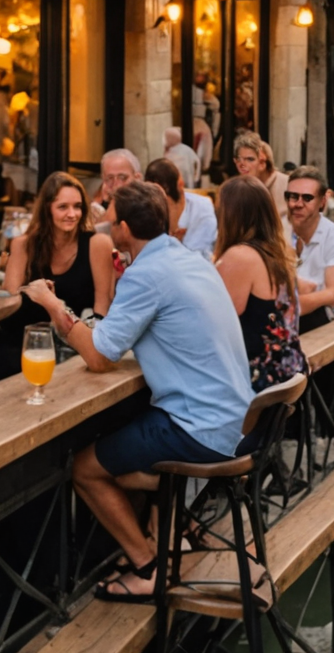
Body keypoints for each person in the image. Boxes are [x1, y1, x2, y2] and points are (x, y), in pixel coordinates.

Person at [21, 182, 254, 604]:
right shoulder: (190, 259)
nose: (108, 225)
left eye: (111, 218)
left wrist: (51, 304)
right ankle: (169, 525)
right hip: (237, 419)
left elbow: (98, 356)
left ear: (125, 228)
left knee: (85, 468)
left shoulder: (146, 275)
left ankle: (148, 566)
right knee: (121, 454)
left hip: (198, 428)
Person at [3, 171, 110, 368]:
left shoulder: (97, 244)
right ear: (47, 209)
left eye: (77, 206)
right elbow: (8, 303)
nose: (72, 214)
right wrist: (31, 290)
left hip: (75, 350)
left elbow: (101, 312)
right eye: (63, 207)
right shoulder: (23, 245)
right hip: (25, 345)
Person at [212, 176, 308, 388]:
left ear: (230, 215)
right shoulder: (279, 253)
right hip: (288, 372)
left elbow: (216, 321)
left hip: (257, 382)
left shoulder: (240, 256)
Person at [282, 166, 334, 328]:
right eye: (292, 196)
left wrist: (294, 305)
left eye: (307, 198)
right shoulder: (277, 229)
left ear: (322, 202)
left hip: (318, 321)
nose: (298, 204)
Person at [144, 157, 218, 257]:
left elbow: (200, 255)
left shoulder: (202, 207)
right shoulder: (144, 211)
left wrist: (173, 243)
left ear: (180, 184)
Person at [232, 133, 290, 214]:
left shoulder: (288, 185)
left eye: (250, 159)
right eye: (239, 159)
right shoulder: (236, 190)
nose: (242, 164)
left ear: (262, 163)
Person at [162, 125, 201, 189]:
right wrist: (196, 177)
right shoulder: (186, 148)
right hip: (189, 179)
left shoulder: (170, 153)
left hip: (181, 180)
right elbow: (197, 161)